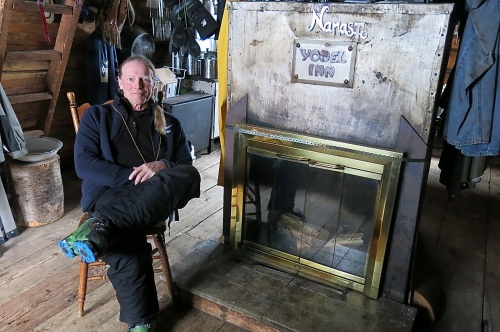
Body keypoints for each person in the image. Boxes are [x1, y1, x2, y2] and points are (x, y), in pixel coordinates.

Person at [58, 55, 201, 332]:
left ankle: (101, 228)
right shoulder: (98, 117)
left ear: (153, 84)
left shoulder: (170, 123)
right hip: (108, 197)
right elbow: (84, 165)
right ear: (120, 83)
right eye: (131, 79)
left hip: (152, 201)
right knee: (130, 249)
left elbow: (184, 165)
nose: (138, 85)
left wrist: (161, 166)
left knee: (190, 175)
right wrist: (133, 178)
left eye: (145, 79)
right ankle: (140, 323)